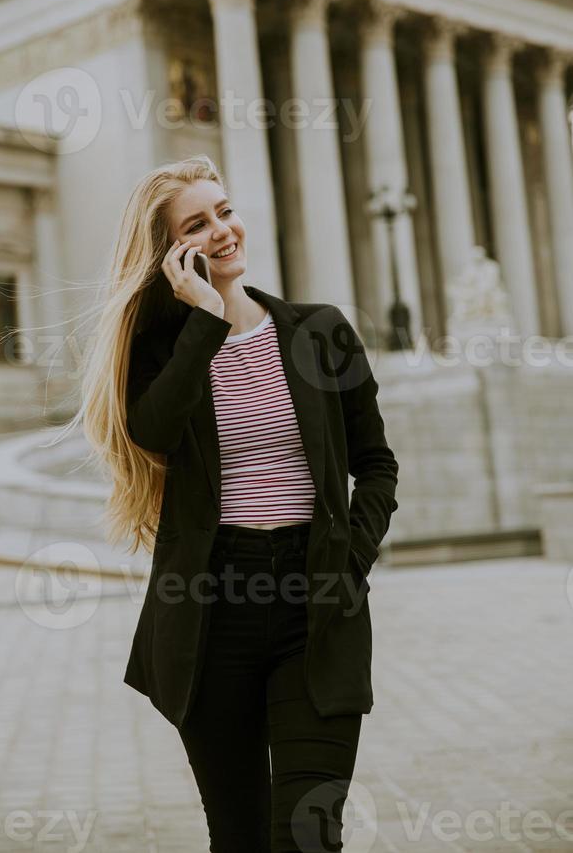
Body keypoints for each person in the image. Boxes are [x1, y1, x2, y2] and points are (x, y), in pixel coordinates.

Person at [80, 154, 400, 852]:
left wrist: (350, 558)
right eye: (197, 224)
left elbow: (376, 465)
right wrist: (205, 321)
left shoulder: (320, 331)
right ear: (170, 256)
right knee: (240, 835)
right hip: (210, 610)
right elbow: (153, 431)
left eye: (224, 210)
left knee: (309, 834)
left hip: (315, 603)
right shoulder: (163, 350)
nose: (223, 230)